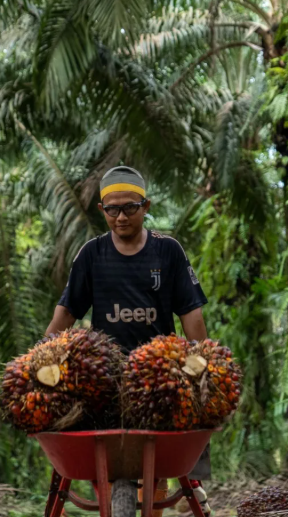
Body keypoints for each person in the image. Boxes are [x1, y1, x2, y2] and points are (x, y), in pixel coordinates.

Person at [44, 165, 212, 517]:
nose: (121, 217)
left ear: (146, 206)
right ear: (102, 210)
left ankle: (191, 480)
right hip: (106, 376)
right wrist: (43, 357)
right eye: (112, 209)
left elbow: (192, 314)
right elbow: (66, 313)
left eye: (129, 208)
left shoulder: (168, 252)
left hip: (160, 375)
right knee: (93, 437)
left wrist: (203, 363)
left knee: (187, 419)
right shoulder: (92, 254)